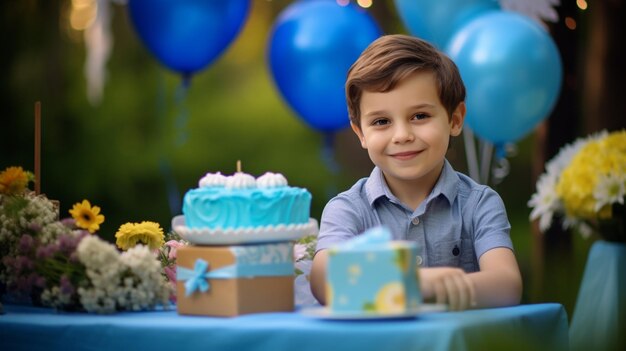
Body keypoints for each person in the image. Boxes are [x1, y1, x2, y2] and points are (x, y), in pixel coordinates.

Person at [310, 34, 522, 311]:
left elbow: (507, 285)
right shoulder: (348, 209)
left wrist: (421, 288)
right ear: (360, 133)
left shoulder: (479, 203)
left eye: (419, 116)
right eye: (382, 121)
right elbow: (323, 280)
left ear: (454, 119)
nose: (402, 135)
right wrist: (416, 283)